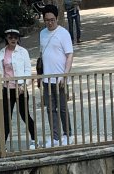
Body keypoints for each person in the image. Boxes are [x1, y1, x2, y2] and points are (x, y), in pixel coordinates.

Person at [38, 4, 74, 146]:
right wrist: (40, 76)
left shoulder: (63, 33)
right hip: (47, 78)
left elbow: (69, 54)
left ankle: (68, 134)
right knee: (50, 108)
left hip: (60, 78)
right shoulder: (42, 33)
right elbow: (42, 54)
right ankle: (55, 136)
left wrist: (65, 75)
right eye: (47, 20)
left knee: (62, 108)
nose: (50, 22)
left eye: (52, 19)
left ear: (57, 18)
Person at [0, 29, 37, 147]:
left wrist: (24, 84)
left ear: (18, 39)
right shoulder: (2, 52)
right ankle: (2, 144)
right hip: (7, 88)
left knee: (24, 114)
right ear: (6, 39)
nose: (13, 39)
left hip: (20, 88)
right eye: (10, 37)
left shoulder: (23, 52)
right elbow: (0, 71)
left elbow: (28, 69)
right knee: (6, 116)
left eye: (15, 37)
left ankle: (34, 139)